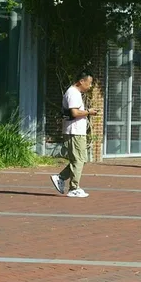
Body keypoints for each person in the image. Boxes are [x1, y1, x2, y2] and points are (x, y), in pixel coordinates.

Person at [52, 70, 98, 198]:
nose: (89, 86)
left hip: (77, 131)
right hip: (74, 131)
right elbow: (74, 113)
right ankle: (74, 188)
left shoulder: (75, 93)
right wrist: (88, 111)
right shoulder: (73, 93)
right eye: (88, 83)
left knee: (80, 159)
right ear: (81, 81)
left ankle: (60, 177)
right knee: (78, 159)